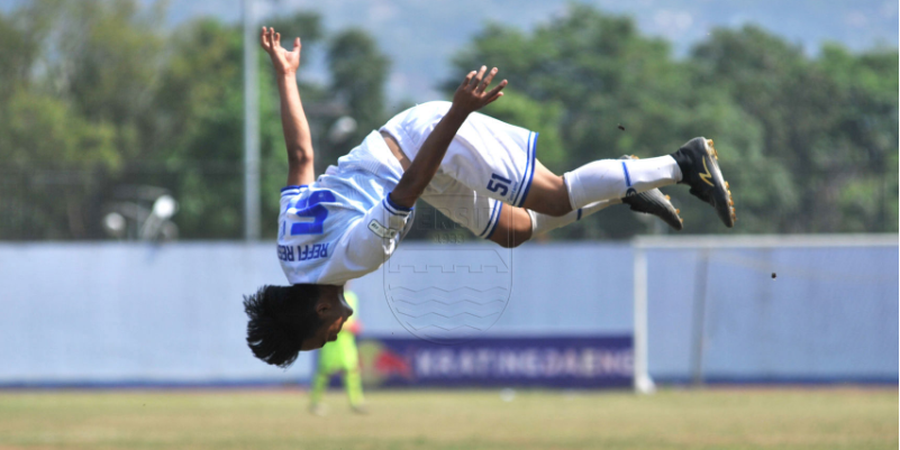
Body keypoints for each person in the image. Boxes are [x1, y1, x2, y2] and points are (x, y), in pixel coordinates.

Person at [244, 27, 736, 368]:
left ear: (320, 312)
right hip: (412, 158)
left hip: (427, 147)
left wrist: (456, 114)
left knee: (556, 197)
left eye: (320, 338)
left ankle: (682, 164)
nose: (332, 339)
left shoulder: (357, 256)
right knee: (514, 230)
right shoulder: (291, 254)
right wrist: (287, 76)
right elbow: (301, 155)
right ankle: (624, 184)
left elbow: (408, 188)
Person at [308, 290, 366, 416]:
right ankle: (315, 402)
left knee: (352, 371)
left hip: (346, 342)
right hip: (332, 342)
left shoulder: (352, 297)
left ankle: (356, 402)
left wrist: (356, 326)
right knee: (324, 372)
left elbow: (353, 319)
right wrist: (346, 327)